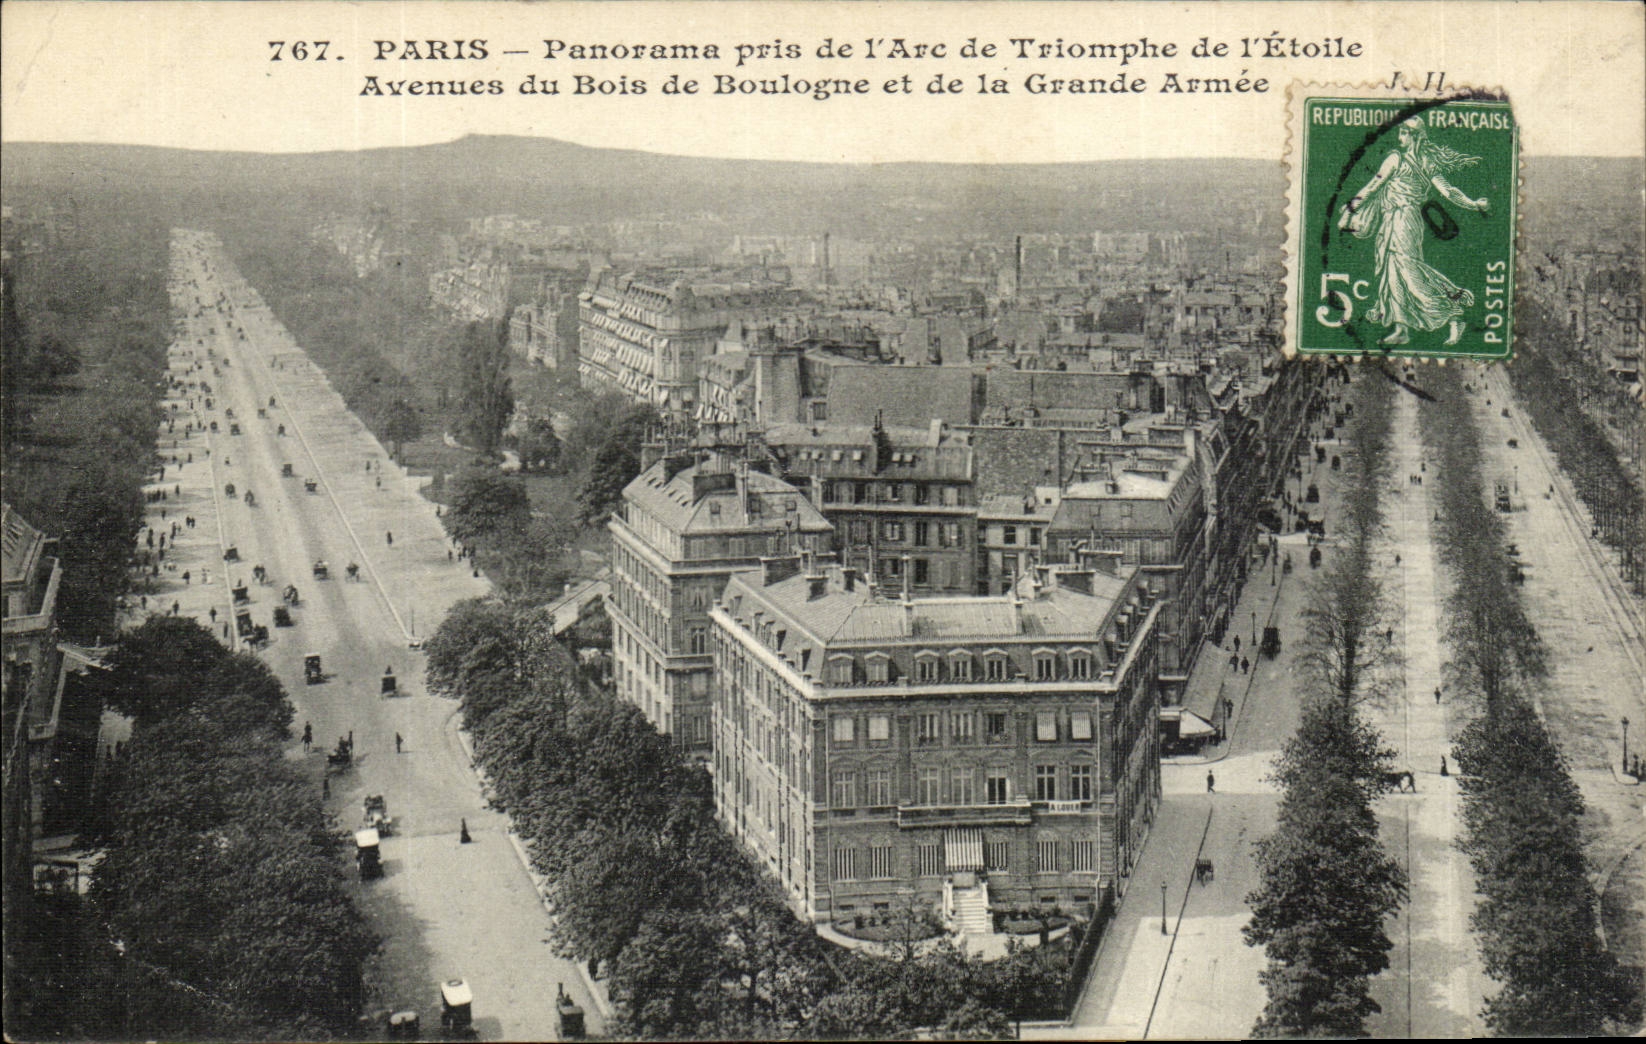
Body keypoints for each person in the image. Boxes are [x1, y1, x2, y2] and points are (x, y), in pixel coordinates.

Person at [1338, 117, 1490, 346]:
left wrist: (1473, 204)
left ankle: (1453, 312)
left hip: (1404, 220)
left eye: (1404, 133)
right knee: (1394, 272)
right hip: (1394, 220)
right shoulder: (1414, 159)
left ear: (1415, 136)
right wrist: (1474, 203)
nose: (1399, 138)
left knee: (1407, 270)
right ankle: (1402, 329)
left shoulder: (1402, 159)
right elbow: (1447, 191)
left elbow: (1374, 187)